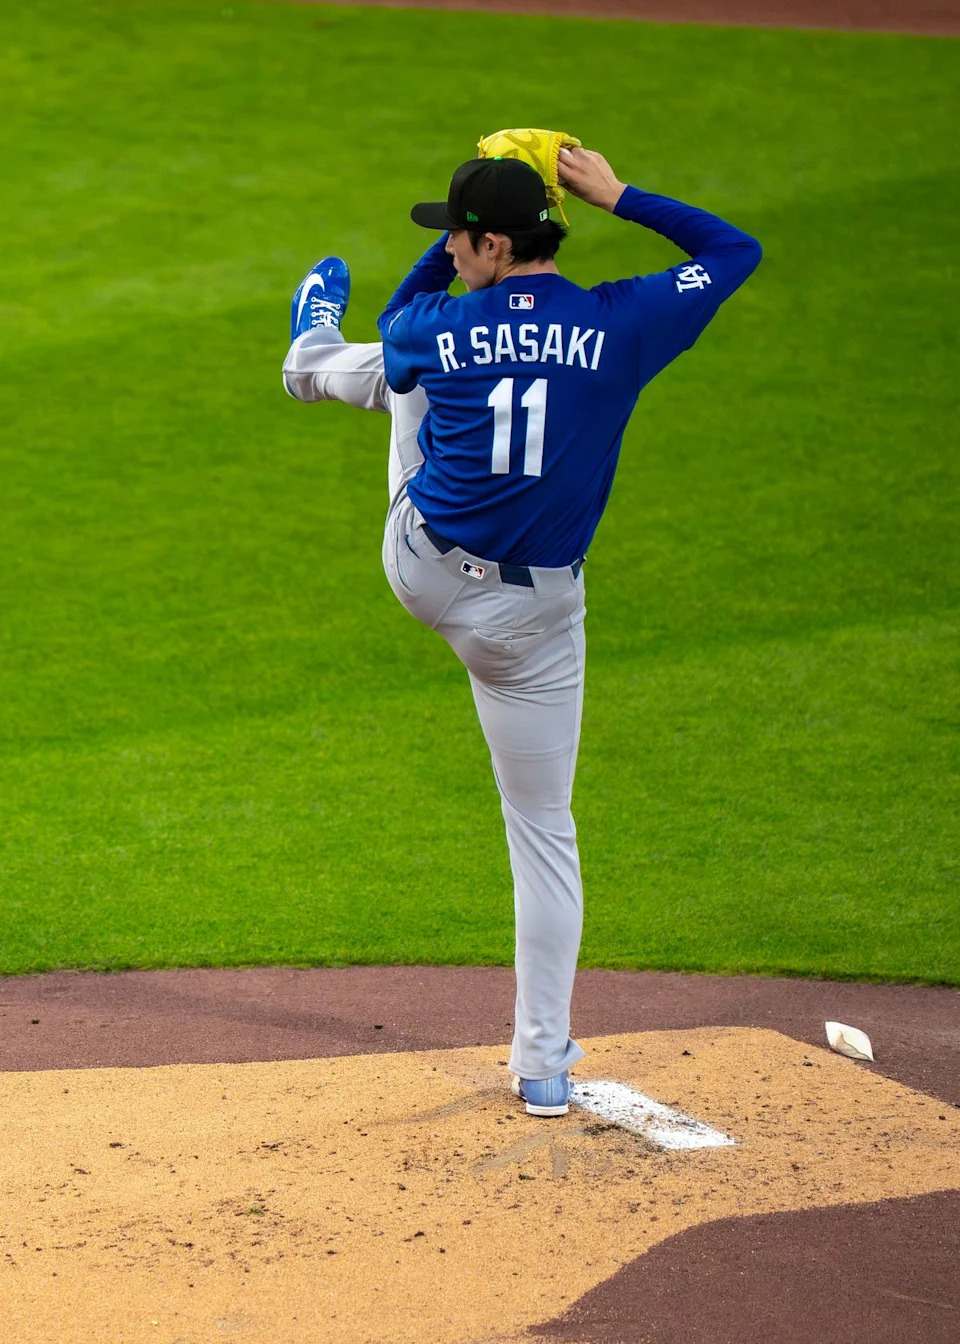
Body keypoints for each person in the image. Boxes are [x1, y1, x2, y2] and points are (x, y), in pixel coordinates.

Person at [282, 146, 762, 1116]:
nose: (449, 251)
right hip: (538, 622)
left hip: (422, 571)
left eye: (457, 238)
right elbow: (734, 249)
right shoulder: (623, 322)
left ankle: (307, 360)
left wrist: (433, 294)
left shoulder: (446, 322)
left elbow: (404, 326)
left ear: (494, 243)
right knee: (544, 831)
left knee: (406, 381)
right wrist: (619, 196)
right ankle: (542, 1067)